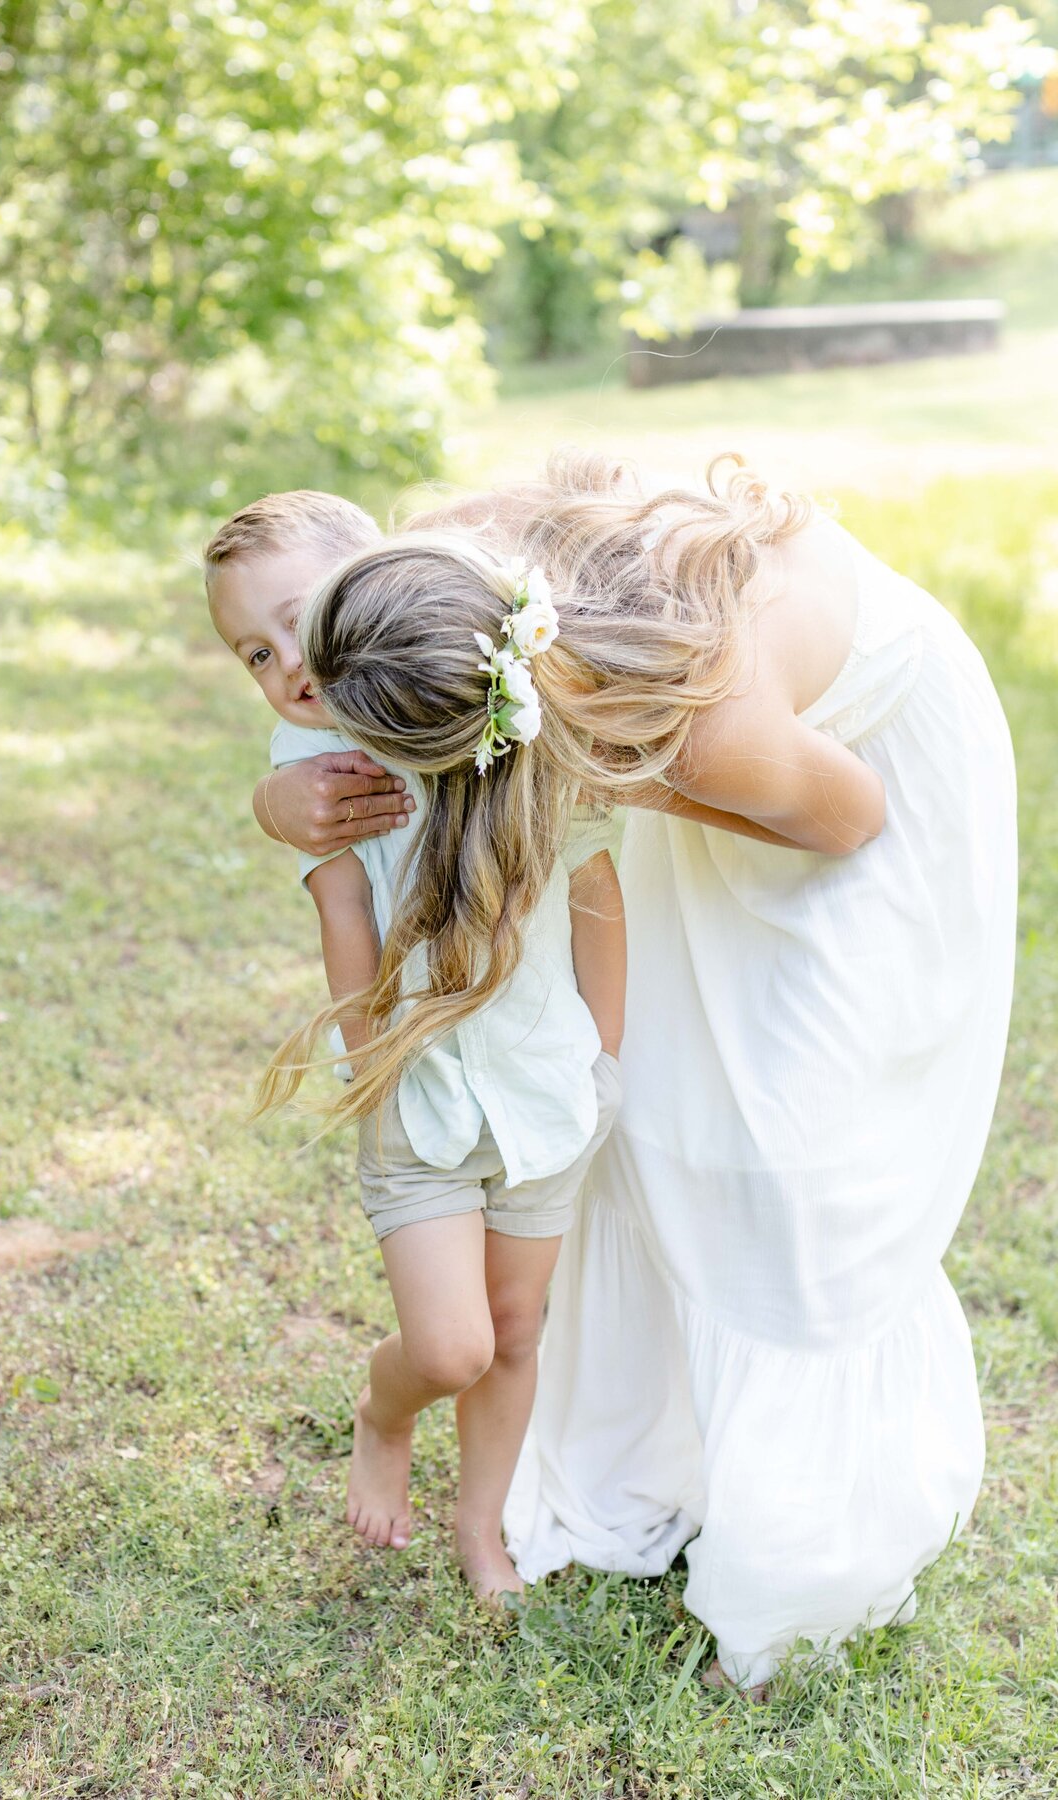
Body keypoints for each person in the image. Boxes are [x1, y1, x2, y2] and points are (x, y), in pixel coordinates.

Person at [256, 453, 1018, 1689]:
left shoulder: (687, 739)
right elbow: (335, 753)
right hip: (647, 729)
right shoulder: (448, 592)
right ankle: (665, 1456)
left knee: (784, 1161)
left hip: (856, 783)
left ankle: (808, 1558)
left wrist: (614, 775)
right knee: (665, 1112)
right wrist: (275, 798)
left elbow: (847, 817)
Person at [204, 494, 626, 1599]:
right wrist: (369, 1057)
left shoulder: (488, 703)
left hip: (546, 1083)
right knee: (451, 1348)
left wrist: (604, 1054)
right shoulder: (314, 768)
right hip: (419, 1090)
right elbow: (343, 914)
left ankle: (481, 1526)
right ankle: (381, 1411)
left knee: (517, 1325)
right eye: (255, 651)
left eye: (300, 621)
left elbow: (594, 884)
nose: (289, 664)